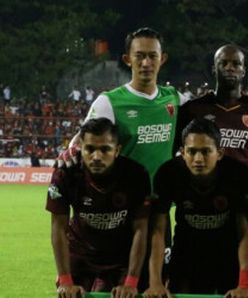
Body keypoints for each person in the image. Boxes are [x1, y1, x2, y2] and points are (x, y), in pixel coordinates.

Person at [39, 117, 151, 298]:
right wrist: (64, 277)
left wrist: (131, 280)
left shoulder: (136, 175)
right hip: (81, 256)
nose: (96, 156)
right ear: (81, 148)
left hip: (119, 257)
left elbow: (142, 229)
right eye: (90, 149)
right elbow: (58, 227)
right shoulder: (66, 174)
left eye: (104, 149)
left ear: (118, 149)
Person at [143, 118, 248, 298]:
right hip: (186, 257)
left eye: (206, 151)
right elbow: (158, 230)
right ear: (183, 152)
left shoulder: (237, 174)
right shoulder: (169, 173)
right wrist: (155, 282)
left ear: (219, 153)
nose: (198, 159)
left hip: (227, 258)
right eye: (192, 152)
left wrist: (244, 284)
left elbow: (243, 231)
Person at [60, 27, 186, 183]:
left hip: (163, 201)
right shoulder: (109, 102)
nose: (146, 63)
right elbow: (83, 138)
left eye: (152, 56)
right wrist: (72, 150)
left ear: (162, 59)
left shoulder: (174, 98)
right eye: (139, 56)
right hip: (124, 200)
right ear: (127, 60)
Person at [176, 44, 248, 173]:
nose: (230, 68)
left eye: (236, 64)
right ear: (214, 69)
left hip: (245, 190)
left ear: (243, 71)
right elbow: (177, 151)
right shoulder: (193, 109)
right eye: (223, 63)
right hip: (206, 191)